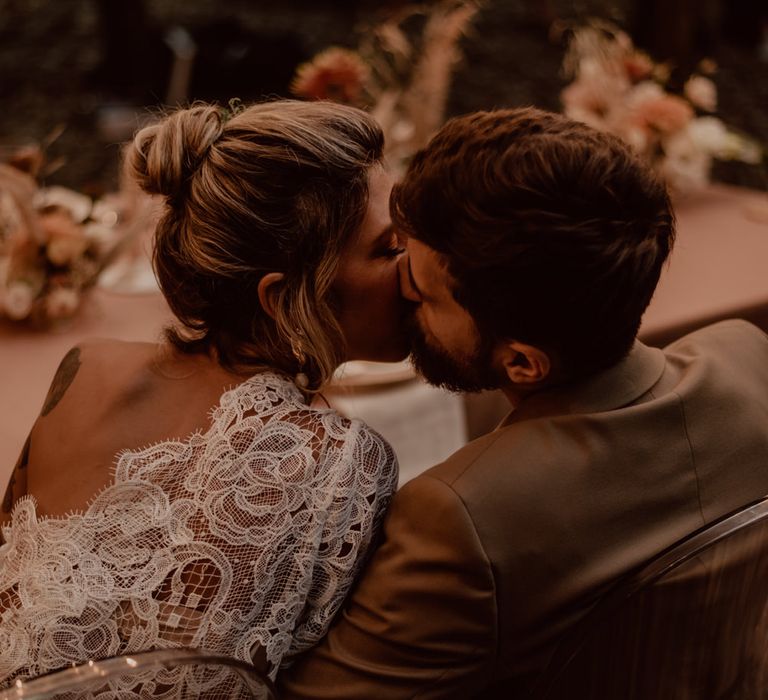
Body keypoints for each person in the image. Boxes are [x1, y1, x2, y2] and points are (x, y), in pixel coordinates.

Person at [279, 107, 768, 698]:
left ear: (522, 363)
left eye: (427, 292)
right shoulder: (747, 358)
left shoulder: (462, 520)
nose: (402, 286)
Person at [0, 100, 409, 690]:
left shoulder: (86, 364)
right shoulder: (343, 459)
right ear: (284, 298)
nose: (416, 261)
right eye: (388, 247)